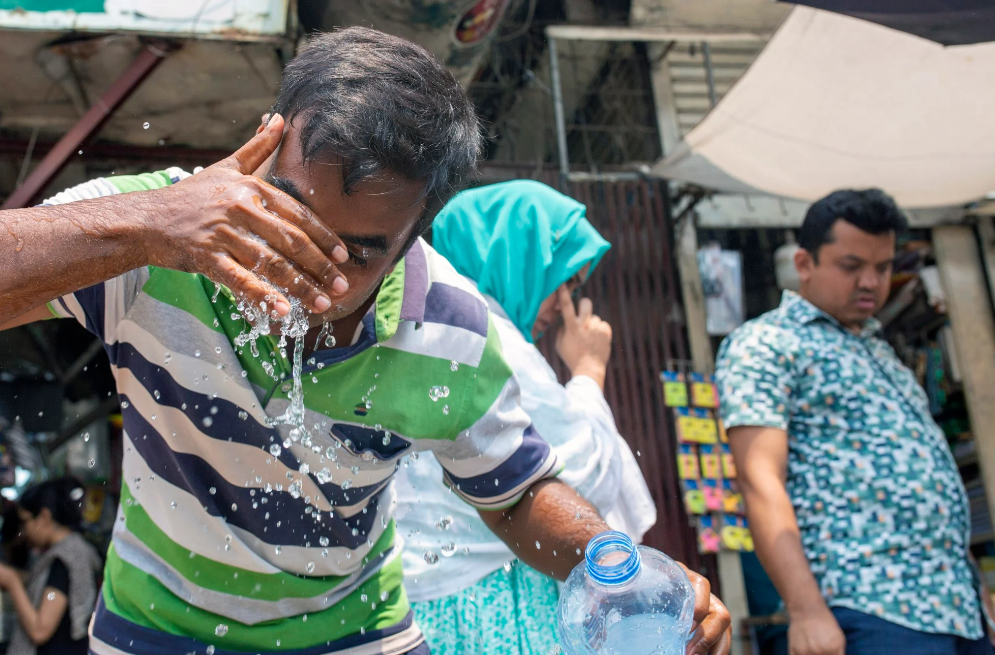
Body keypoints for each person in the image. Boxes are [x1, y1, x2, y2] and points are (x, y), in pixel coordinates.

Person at [0, 28, 730, 655]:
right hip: (157, 627)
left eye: (353, 254)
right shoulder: (156, 235)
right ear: (263, 147)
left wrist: (616, 565)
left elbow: (515, 495)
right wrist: (154, 224)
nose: (301, 270)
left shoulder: (448, 326)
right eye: (283, 216)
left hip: (357, 632)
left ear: (413, 238)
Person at [715, 189, 992, 655]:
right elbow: (760, 480)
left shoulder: (880, 349)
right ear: (804, 263)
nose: (871, 281)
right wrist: (805, 611)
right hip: (869, 606)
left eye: (883, 267)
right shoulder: (766, 343)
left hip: (955, 610)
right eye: (851, 266)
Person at [396, 180, 658, 655]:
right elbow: (582, 480)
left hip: (430, 597)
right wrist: (589, 371)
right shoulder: (489, 336)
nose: (563, 306)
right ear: (514, 258)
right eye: (560, 280)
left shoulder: (434, 321)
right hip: (490, 601)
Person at [0, 477, 102, 655]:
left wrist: (12, 581)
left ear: (44, 517)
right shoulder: (70, 552)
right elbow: (49, 586)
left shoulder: (66, 559)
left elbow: (40, 630)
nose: (24, 532)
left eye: (26, 522)